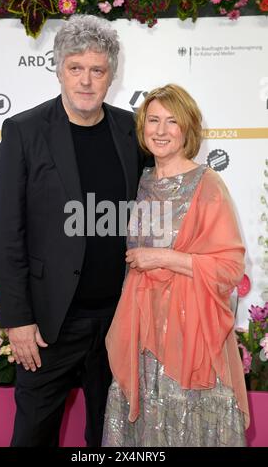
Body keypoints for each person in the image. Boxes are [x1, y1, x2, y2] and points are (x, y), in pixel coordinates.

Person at [0, 14, 143, 447]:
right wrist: (17, 320)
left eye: (98, 70)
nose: (87, 81)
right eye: (76, 68)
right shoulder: (24, 131)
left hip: (118, 319)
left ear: (112, 74)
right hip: (49, 324)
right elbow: (4, 233)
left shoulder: (131, 130)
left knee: (112, 438)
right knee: (33, 436)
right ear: (58, 69)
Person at [102, 84, 250, 447]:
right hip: (141, 334)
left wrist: (163, 258)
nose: (161, 130)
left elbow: (230, 268)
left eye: (172, 121)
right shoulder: (140, 181)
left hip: (190, 341)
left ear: (188, 128)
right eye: (153, 120)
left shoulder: (208, 184)